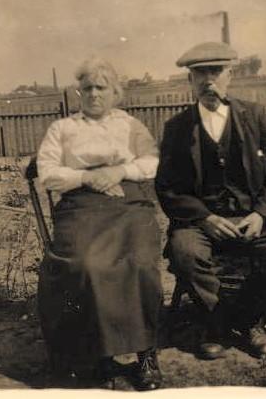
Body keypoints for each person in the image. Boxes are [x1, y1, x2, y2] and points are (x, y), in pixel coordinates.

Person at [155, 42, 266, 360]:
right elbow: (167, 187)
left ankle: (244, 320)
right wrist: (204, 218)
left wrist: (262, 214)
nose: (209, 81)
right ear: (190, 81)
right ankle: (216, 325)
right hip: (201, 222)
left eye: (216, 71)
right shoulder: (176, 128)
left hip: (254, 216)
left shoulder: (255, 116)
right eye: (200, 74)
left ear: (229, 76)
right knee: (185, 255)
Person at [37, 57, 162, 390]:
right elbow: (48, 172)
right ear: (79, 92)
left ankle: (145, 353)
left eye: (100, 87)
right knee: (85, 264)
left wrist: (119, 171)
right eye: (87, 87)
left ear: (115, 92)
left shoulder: (131, 125)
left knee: (140, 262)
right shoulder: (62, 128)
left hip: (128, 202)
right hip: (80, 205)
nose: (93, 94)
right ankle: (95, 355)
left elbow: (151, 161)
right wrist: (87, 177)